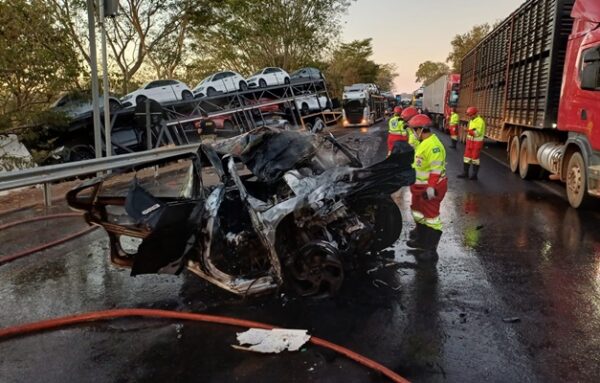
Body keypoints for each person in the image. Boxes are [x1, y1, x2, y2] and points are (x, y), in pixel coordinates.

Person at [406, 114, 447, 265]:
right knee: (418, 213)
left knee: (431, 218)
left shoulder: (434, 147)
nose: (412, 133)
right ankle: (421, 241)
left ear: (420, 129)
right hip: (419, 187)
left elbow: (436, 171)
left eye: (413, 130)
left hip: (431, 188)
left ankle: (431, 250)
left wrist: (431, 188)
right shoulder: (423, 143)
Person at [457, 106, 486, 180]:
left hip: (476, 143)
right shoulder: (472, 120)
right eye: (469, 115)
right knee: (466, 157)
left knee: (475, 159)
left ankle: (474, 175)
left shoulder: (480, 121)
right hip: (470, 142)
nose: (470, 116)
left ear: (474, 114)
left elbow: (477, 133)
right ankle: (465, 173)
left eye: (470, 115)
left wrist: (468, 131)